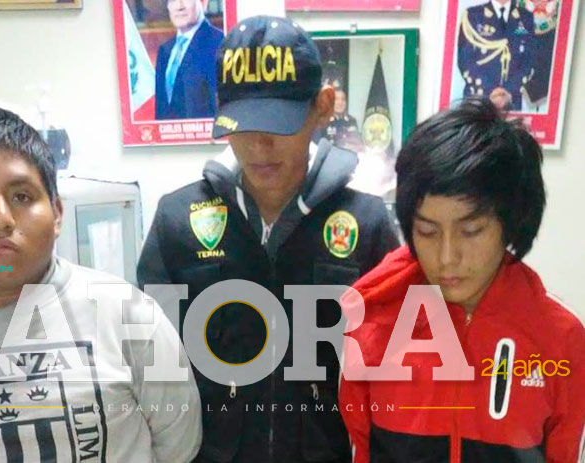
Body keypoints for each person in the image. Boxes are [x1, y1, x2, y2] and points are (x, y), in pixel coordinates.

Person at [138, 15, 400, 462]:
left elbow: (395, 377)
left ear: (322, 107)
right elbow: (153, 377)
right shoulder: (177, 222)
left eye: (280, 124)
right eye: (241, 123)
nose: (259, 144)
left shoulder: (367, 225)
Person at [0, 103, 202, 462]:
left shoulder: (132, 316)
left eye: (22, 196)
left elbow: (179, 445)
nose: (0, 218)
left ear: (57, 214)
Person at [339, 98, 585, 462]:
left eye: (471, 231)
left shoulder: (560, 338)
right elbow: (359, 449)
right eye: (427, 231)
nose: (447, 257)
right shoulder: (373, 321)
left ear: (510, 222)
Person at [457, 0, 535, 111]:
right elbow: (465, 60)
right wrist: (491, 91)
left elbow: (529, 60)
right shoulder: (473, 15)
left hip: (511, 101)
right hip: (478, 99)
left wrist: (508, 91)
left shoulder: (526, 17)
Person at [155, 0, 224, 120]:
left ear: (203, 3)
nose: (179, 7)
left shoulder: (219, 43)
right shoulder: (165, 50)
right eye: (173, 0)